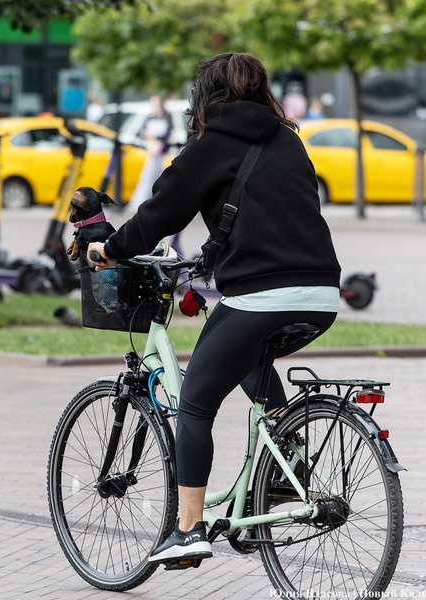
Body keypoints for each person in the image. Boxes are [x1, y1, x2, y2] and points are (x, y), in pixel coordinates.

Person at [87, 52, 341, 563]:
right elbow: (274, 212)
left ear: (203, 97)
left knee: (196, 405)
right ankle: (284, 477)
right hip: (321, 293)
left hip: (262, 296)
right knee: (248, 359)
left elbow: (157, 214)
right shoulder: (288, 140)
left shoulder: (208, 146)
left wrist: (108, 249)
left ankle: (188, 530)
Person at [128, 95, 172, 212]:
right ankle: (144, 200)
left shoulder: (166, 117)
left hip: (159, 151)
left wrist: (154, 137)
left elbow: (167, 133)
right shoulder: (151, 117)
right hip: (152, 150)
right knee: (148, 175)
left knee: (154, 175)